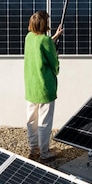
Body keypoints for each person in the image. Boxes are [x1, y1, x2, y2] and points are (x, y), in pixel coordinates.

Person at [24, 10, 63, 161]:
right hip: (45, 87)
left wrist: (54, 37)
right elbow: (54, 64)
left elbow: (40, 47)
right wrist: (57, 67)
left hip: (31, 86)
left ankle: (34, 150)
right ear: (44, 24)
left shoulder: (29, 38)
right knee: (44, 122)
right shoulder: (45, 41)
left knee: (31, 120)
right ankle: (45, 153)